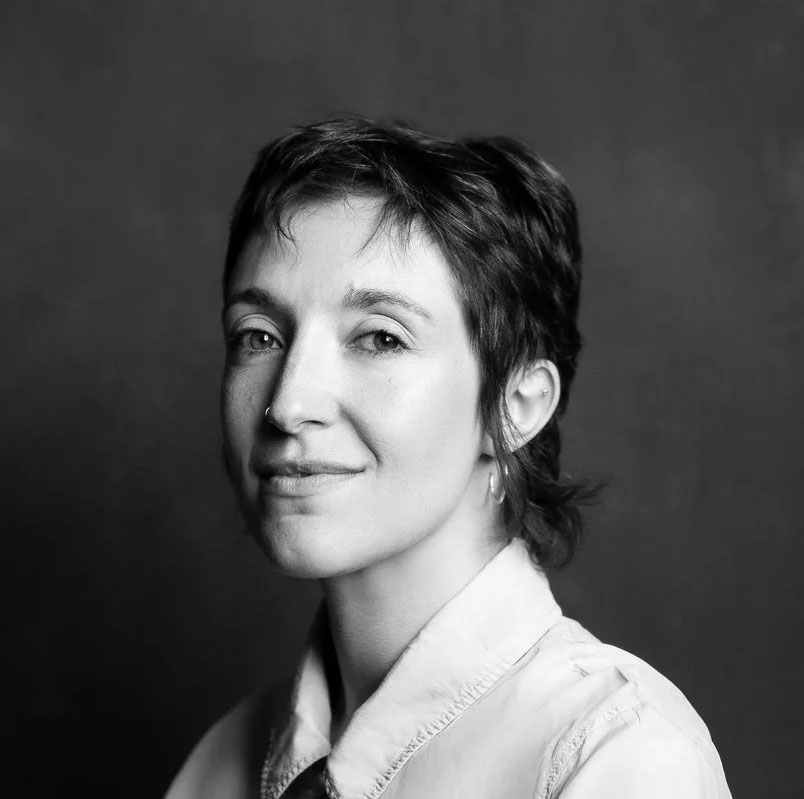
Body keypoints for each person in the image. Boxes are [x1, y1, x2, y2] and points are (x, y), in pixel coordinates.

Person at [165, 117, 732, 798]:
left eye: (379, 338)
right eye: (258, 336)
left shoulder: (614, 754)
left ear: (516, 405)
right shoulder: (219, 764)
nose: (288, 405)